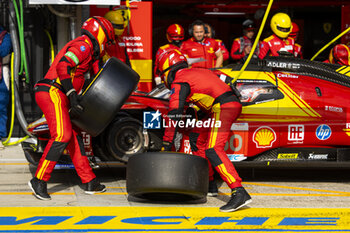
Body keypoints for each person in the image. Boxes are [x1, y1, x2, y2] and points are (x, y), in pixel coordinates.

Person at [28, 16, 115, 201]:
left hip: (60, 93)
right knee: (62, 136)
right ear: (100, 35)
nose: (105, 46)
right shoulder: (84, 45)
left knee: (74, 137)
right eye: (106, 41)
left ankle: (89, 180)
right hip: (53, 91)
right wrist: (71, 94)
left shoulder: (90, 51)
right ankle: (39, 180)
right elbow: (63, 66)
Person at [158, 49, 251, 212]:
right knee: (197, 138)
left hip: (223, 107)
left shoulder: (179, 81)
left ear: (167, 70)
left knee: (214, 149)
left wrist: (166, 143)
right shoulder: (195, 72)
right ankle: (209, 185)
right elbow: (217, 85)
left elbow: (174, 115)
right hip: (225, 104)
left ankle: (239, 191)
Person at [0, 26, 11, 149]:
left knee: (1, 107)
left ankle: (0, 136)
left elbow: (4, 51)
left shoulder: (5, 35)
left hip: (2, 75)